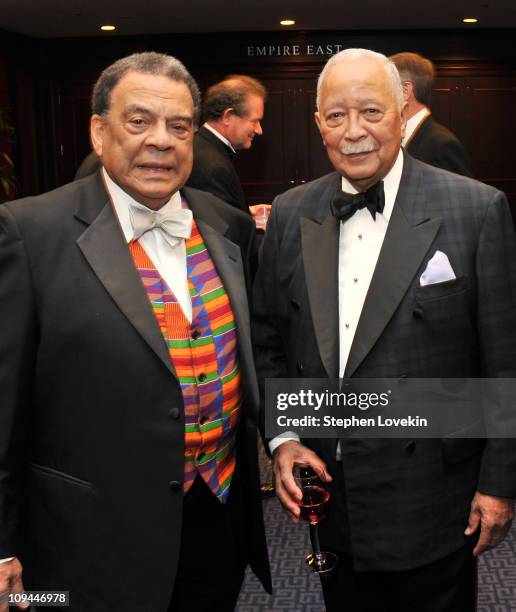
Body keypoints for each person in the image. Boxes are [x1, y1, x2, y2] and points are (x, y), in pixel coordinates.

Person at [0, 51, 271, 612]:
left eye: (178, 126)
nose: (161, 141)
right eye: (139, 121)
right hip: (88, 543)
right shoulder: (27, 233)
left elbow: (257, 354)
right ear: (99, 132)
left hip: (215, 518)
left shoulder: (229, 226)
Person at [253, 48, 516, 612]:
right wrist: (285, 437)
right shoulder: (292, 212)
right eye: (336, 115)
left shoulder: (476, 208)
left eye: (371, 112)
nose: (354, 132)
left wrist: (499, 484)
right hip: (331, 487)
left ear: (402, 112)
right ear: (317, 122)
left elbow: (504, 359)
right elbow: (269, 339)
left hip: (435, 492)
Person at [186, 75, 268, 218]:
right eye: (254, 121)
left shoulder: (198, 145)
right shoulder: (213, 168)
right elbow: (222, 235)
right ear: (228, 117)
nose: (259, 130)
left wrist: (247, 212)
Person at [390, 51, 473, 177]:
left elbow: (462, 194)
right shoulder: (402, 136)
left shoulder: (442, 144)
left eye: (385, 88)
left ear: (405, 91)